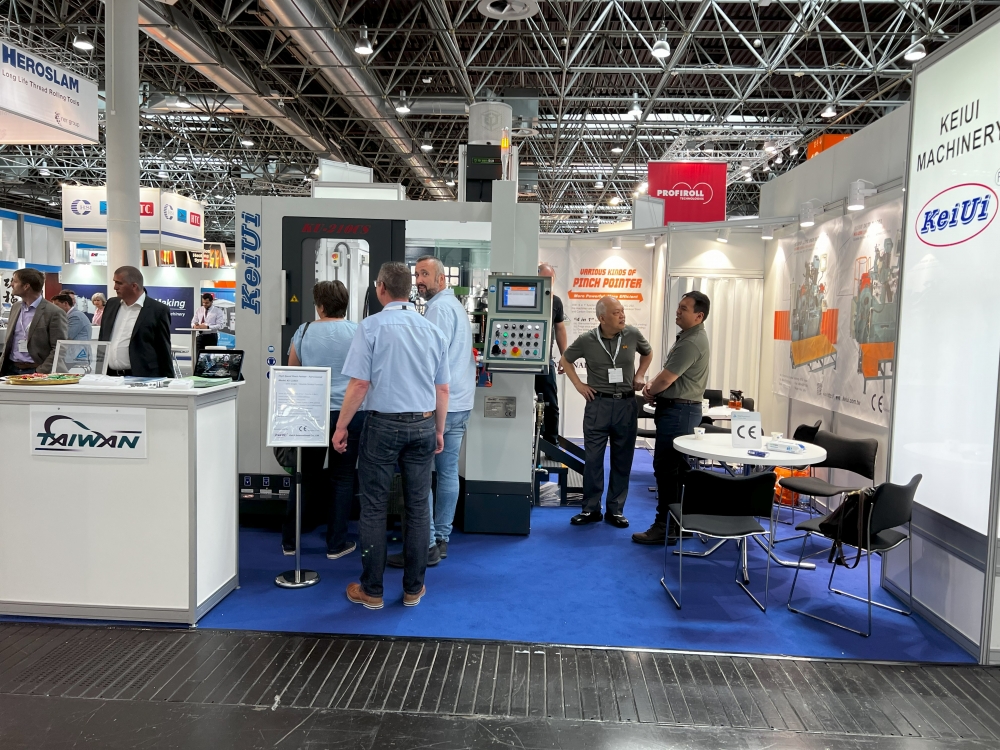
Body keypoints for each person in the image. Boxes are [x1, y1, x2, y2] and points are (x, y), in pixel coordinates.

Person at [334, 262, 449, 610]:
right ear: (409, 290)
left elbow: (359, 384)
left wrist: (341, 426)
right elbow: (442, 389)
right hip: (423, 424)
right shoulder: (432, 331)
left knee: (373, 507)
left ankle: (372, 591)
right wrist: (438, 430)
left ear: (381, 288)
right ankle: (414, 589)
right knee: (418, 508)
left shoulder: (370, 327)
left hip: (382, 425)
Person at [387, 256, 475, 569]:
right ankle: (441, 538)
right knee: (448, 472)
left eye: (425, 274)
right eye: (417, 275)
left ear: (442, 279)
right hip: (460, 403)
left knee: (420, 477)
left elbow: (429, 358)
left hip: (440, 406)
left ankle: (425, 545)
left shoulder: (438, 309)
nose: (420, 280)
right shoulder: (455, 307)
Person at [280, 280, 363, 560]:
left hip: (311, 412)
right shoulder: (358, 332)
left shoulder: (304, 331)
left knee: (305, 477)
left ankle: (290, 541)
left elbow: (292, 371)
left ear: (320, 306)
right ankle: (336, 544)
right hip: (349, 413)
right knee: (343, 478)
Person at [560, 296, 653, 528]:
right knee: (593, 460)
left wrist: (640, 374)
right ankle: (591, 509)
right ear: (602, 318)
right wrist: (579, 385)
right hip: (598, 404)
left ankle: (615, 510)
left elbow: (648, 352)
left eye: (622, 311)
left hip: (626, 404)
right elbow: (566, 360)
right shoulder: (587, 340)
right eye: (616, 312)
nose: (622, 315)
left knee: (622, 459)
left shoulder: (632, 334)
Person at [633, 291, 712, 545]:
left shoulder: (691, 342)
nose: (678, 311)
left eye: (684, 308)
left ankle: (664, 527)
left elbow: (667, 378)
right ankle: (680, 524)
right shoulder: (689, 337)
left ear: (699, 316)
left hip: (679, 412)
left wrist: (650, 391)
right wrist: (656, 389)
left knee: (667, 469)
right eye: (678, 306)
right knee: (677, 470)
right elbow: (669, 373)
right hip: (679, 410)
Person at [99, 266, 174, 377]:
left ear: (134, 286)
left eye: (119, 283)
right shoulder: (111, 304)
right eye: (115, 282)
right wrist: (98, 372)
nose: (115, 287)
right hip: (110, 377)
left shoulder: (158, 310)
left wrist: (169, 380)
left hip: (142, 377)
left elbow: (163, 348)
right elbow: (102, 339)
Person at [0, 268, 67, 375]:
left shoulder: (54, 312)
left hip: (36, 371)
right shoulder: (16, 307)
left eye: (15, 281)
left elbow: (60, 348)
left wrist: (41, 371)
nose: (11, 284)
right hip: (10, 369)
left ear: (26, 286)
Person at [534, 262, 568, 443]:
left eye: (550, 280)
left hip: (544, 361)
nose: (547, 283)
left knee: (551, 404)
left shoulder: (555, 302)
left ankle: (551, 442)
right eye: (543, 279)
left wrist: (565, 356)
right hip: (522, 362)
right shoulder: (526, 297)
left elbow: (560, 328)